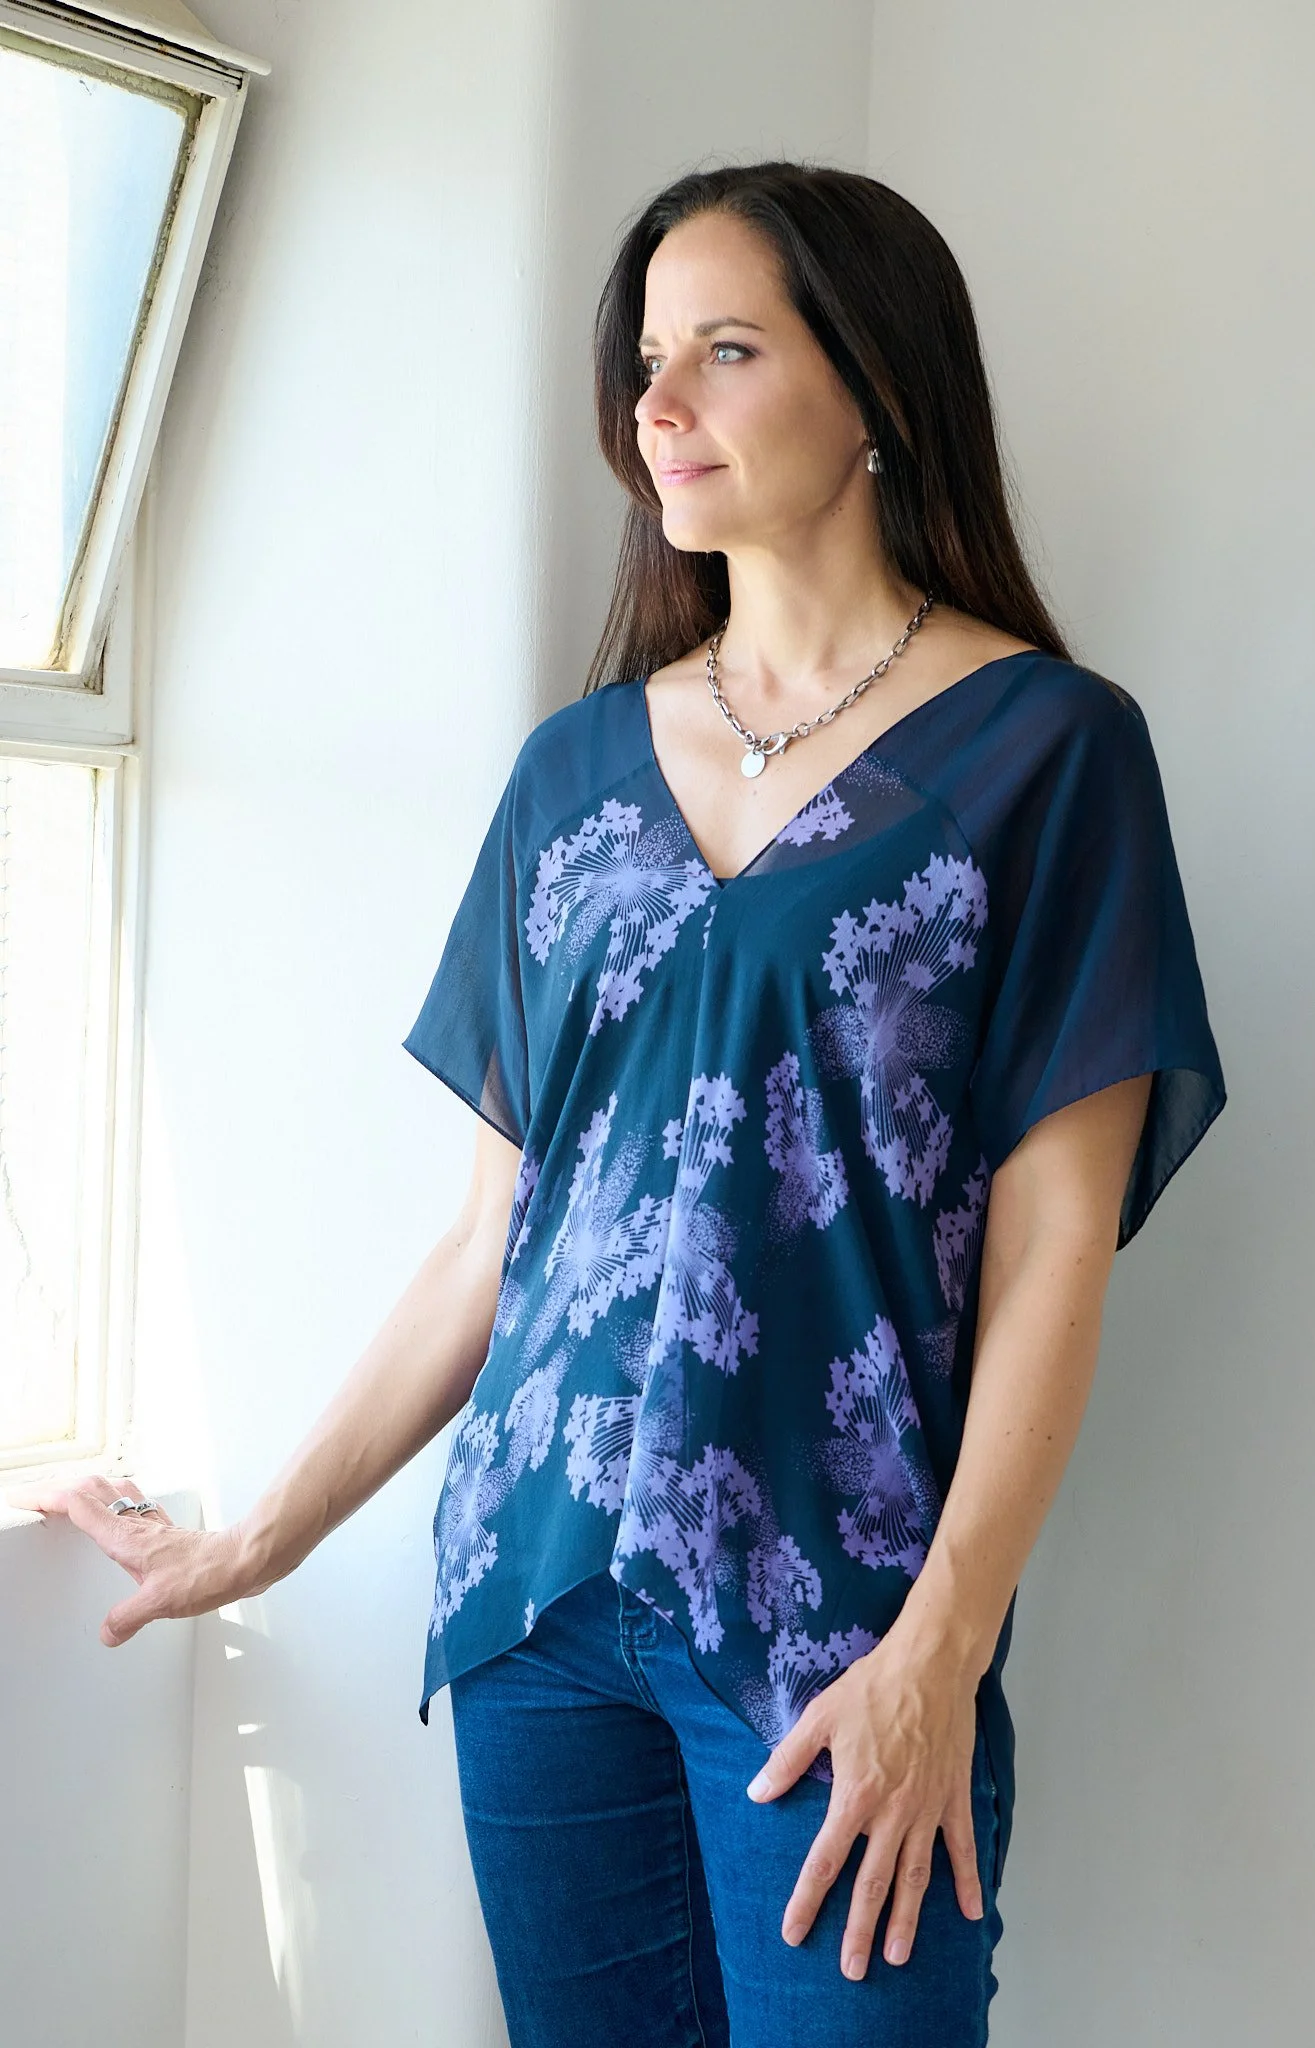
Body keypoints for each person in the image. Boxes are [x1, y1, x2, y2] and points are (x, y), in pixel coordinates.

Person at [10, 162, 1227, 2046]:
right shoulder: (573, 771)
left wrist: (941, 1647)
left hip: (841, 1632)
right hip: (535, 1602)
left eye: (725, 351)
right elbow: (496, 1243)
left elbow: (1057, 1259)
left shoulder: (1050, 756)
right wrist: (260, 1540)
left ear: (879, 387)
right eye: (647, 360)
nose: (658, 406)